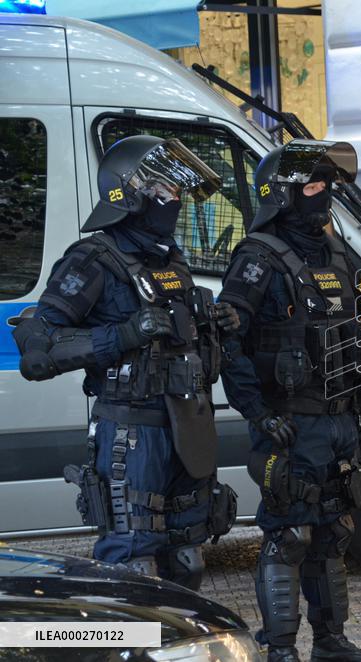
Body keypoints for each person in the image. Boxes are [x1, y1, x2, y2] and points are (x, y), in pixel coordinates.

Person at [14, 135, 239, 590]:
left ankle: (175, 654)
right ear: (130, 193)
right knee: (132, 562)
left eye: (177, 192)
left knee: (187, 555)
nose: (174, 201)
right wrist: (124, 334)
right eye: (165, 191)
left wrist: (216, 325)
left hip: (186, 423)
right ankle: (123, 646)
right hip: (132, 432)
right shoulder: (94, 258)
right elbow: (39, 346)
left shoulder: (170, 260)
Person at [218, 140, 361, 662]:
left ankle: (332, 642)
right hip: (290, 422)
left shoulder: (337, 254)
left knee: (333, 532)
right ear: (284, 196)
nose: (324, 197)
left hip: (339, 419)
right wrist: (257, 413)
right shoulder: (258, 256)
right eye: (313, 187)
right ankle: (282, 649)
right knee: (289, 533)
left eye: (328, 187)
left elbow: (356, 332)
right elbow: (229, 341)